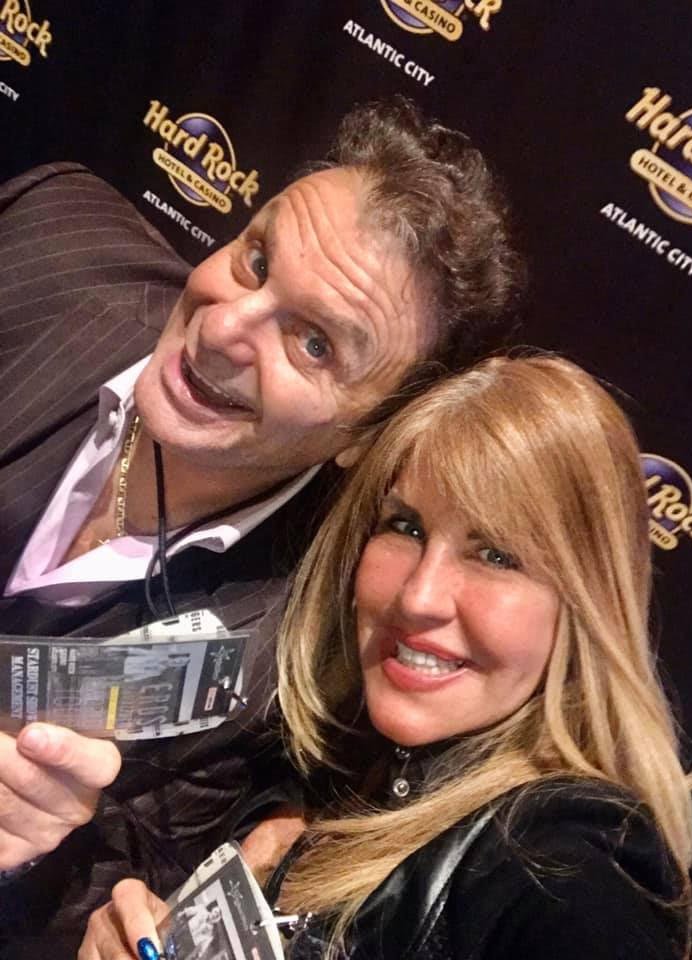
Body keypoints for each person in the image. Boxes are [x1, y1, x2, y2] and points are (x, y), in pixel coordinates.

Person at [0, 98, 522, 955]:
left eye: (314, 343)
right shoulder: (41, 238)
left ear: (365, 436)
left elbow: (103, 892)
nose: (222, 326)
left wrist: (23, 852)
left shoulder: (290, 662)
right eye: (255, 260)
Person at [81, 354, 692, 960]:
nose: (418, 597)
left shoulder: (558, 868)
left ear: (586, 603)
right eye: (406, 527)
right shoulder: (333, 779)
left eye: (496, 555)